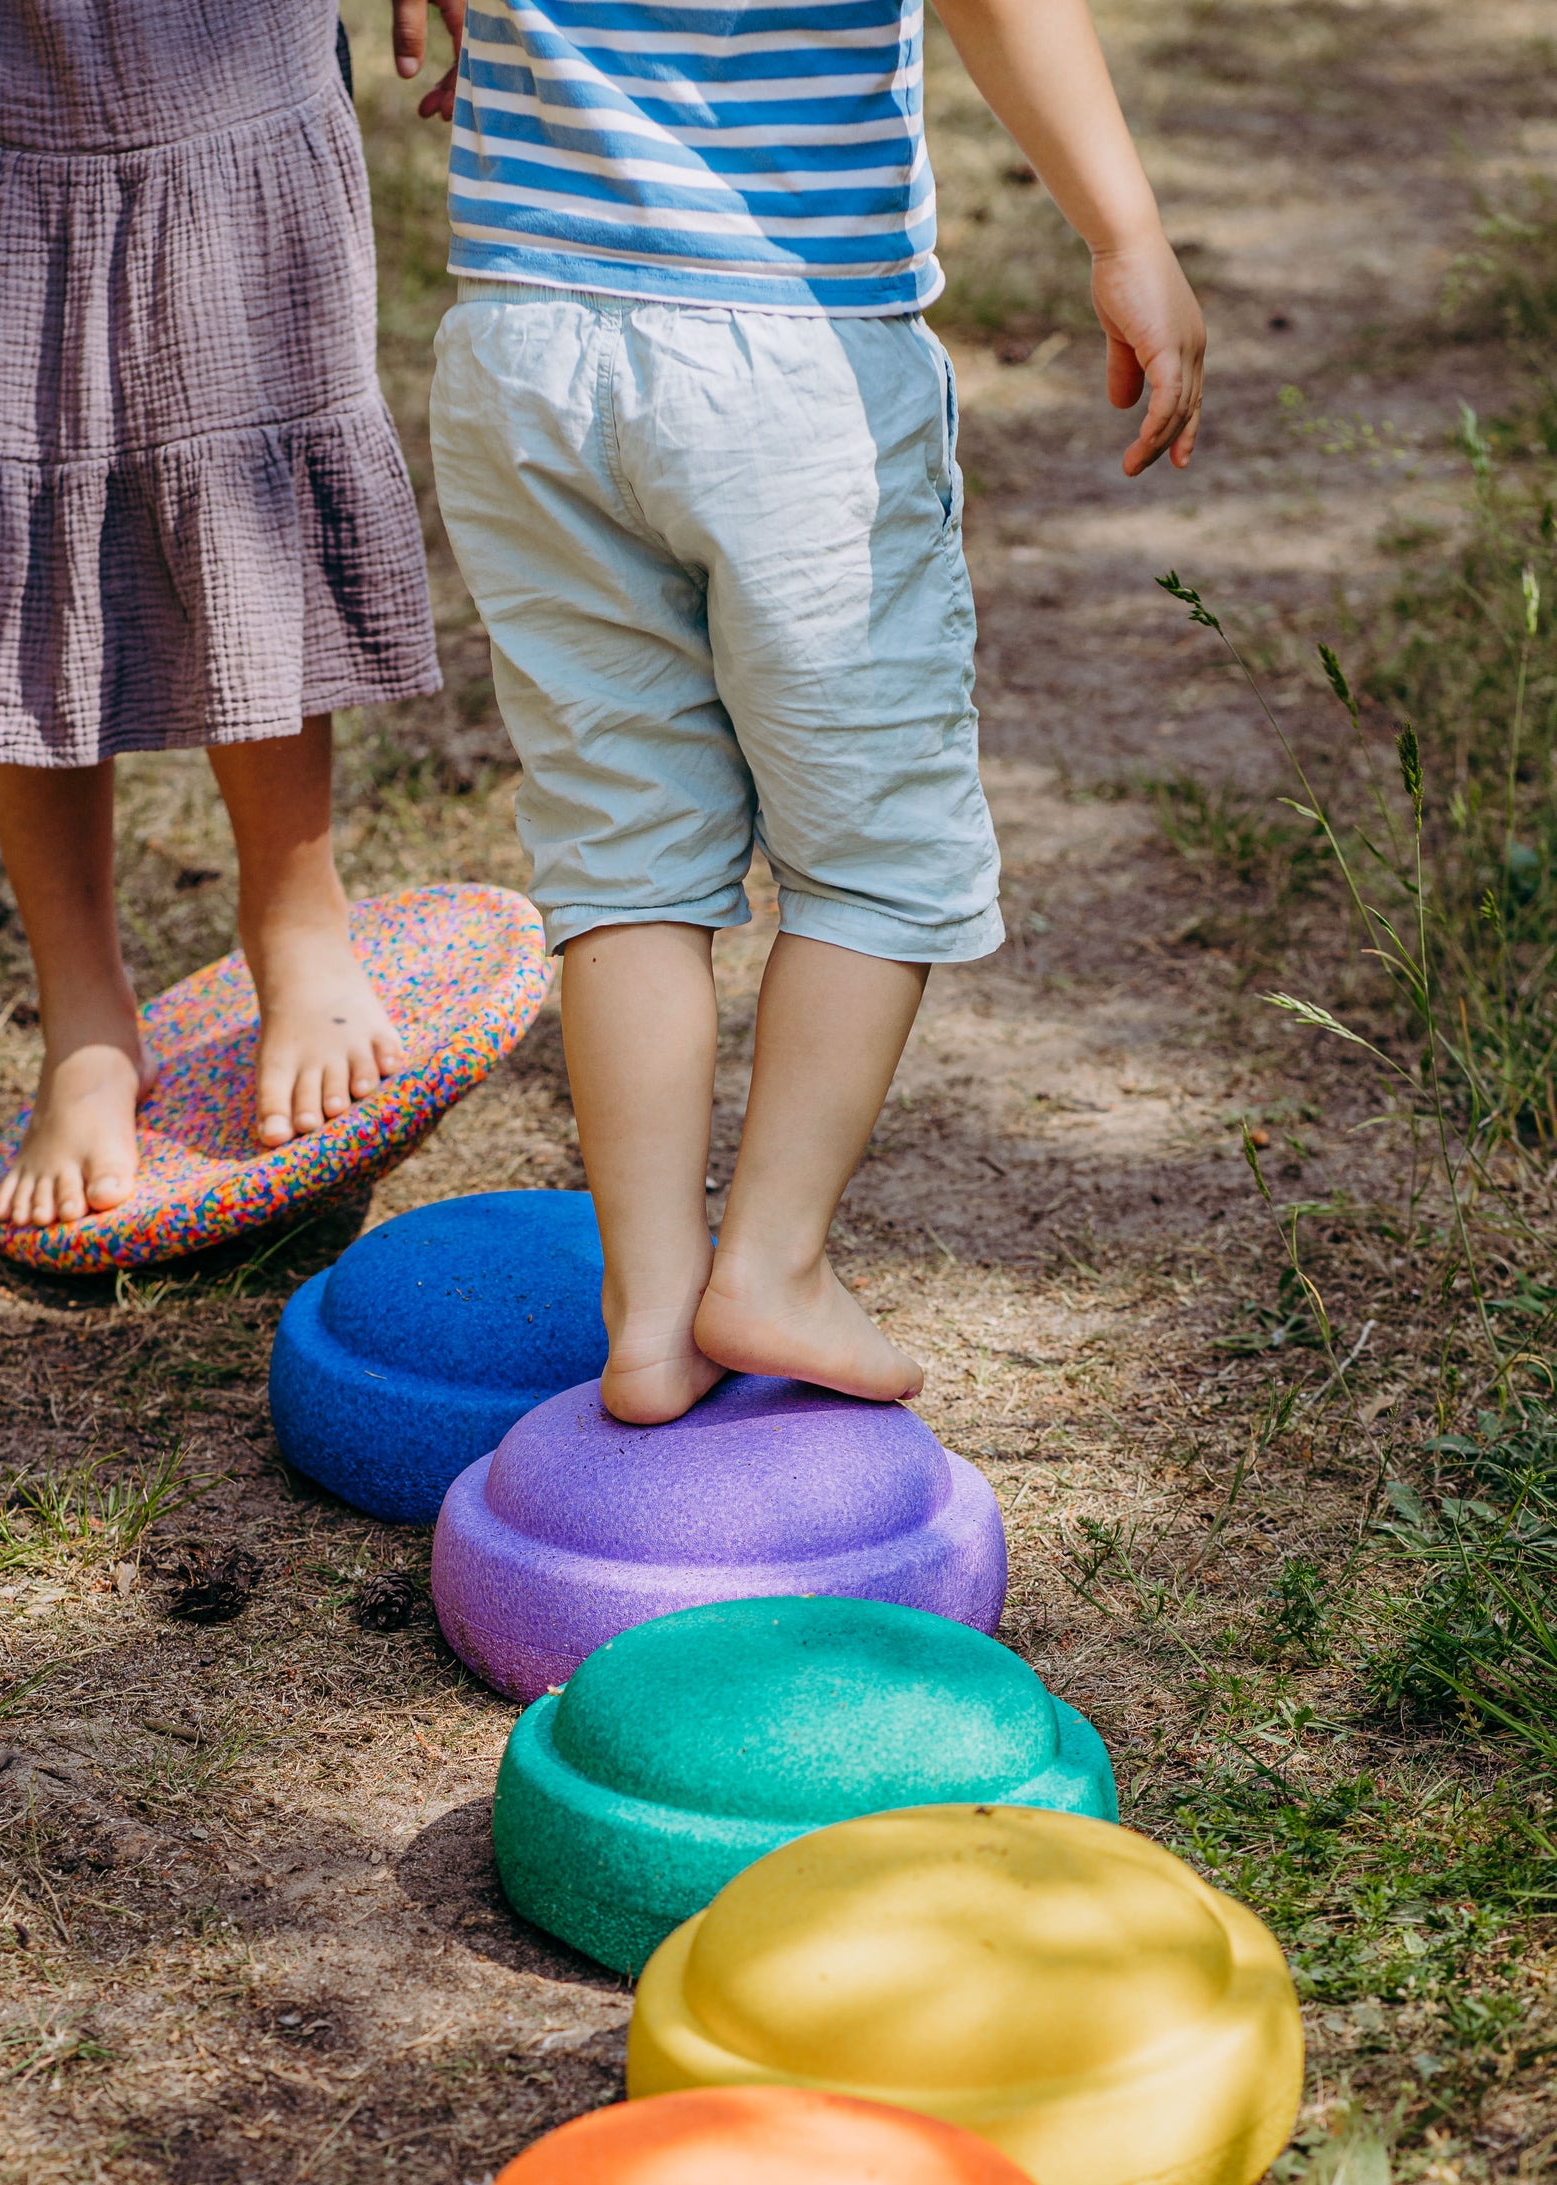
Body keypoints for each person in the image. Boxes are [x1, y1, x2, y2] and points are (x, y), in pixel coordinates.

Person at [400, 0, 1204, 1421]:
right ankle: (768, 1264)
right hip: (787, 352)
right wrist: (1123, 231)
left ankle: (649, 1309)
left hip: (522, 344)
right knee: (876, 856)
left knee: (622, 844)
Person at [0, 1, 441, 1229]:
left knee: (244, 440)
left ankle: (295, 917)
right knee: (3, 457)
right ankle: (82, 1008)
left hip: (220, 52)